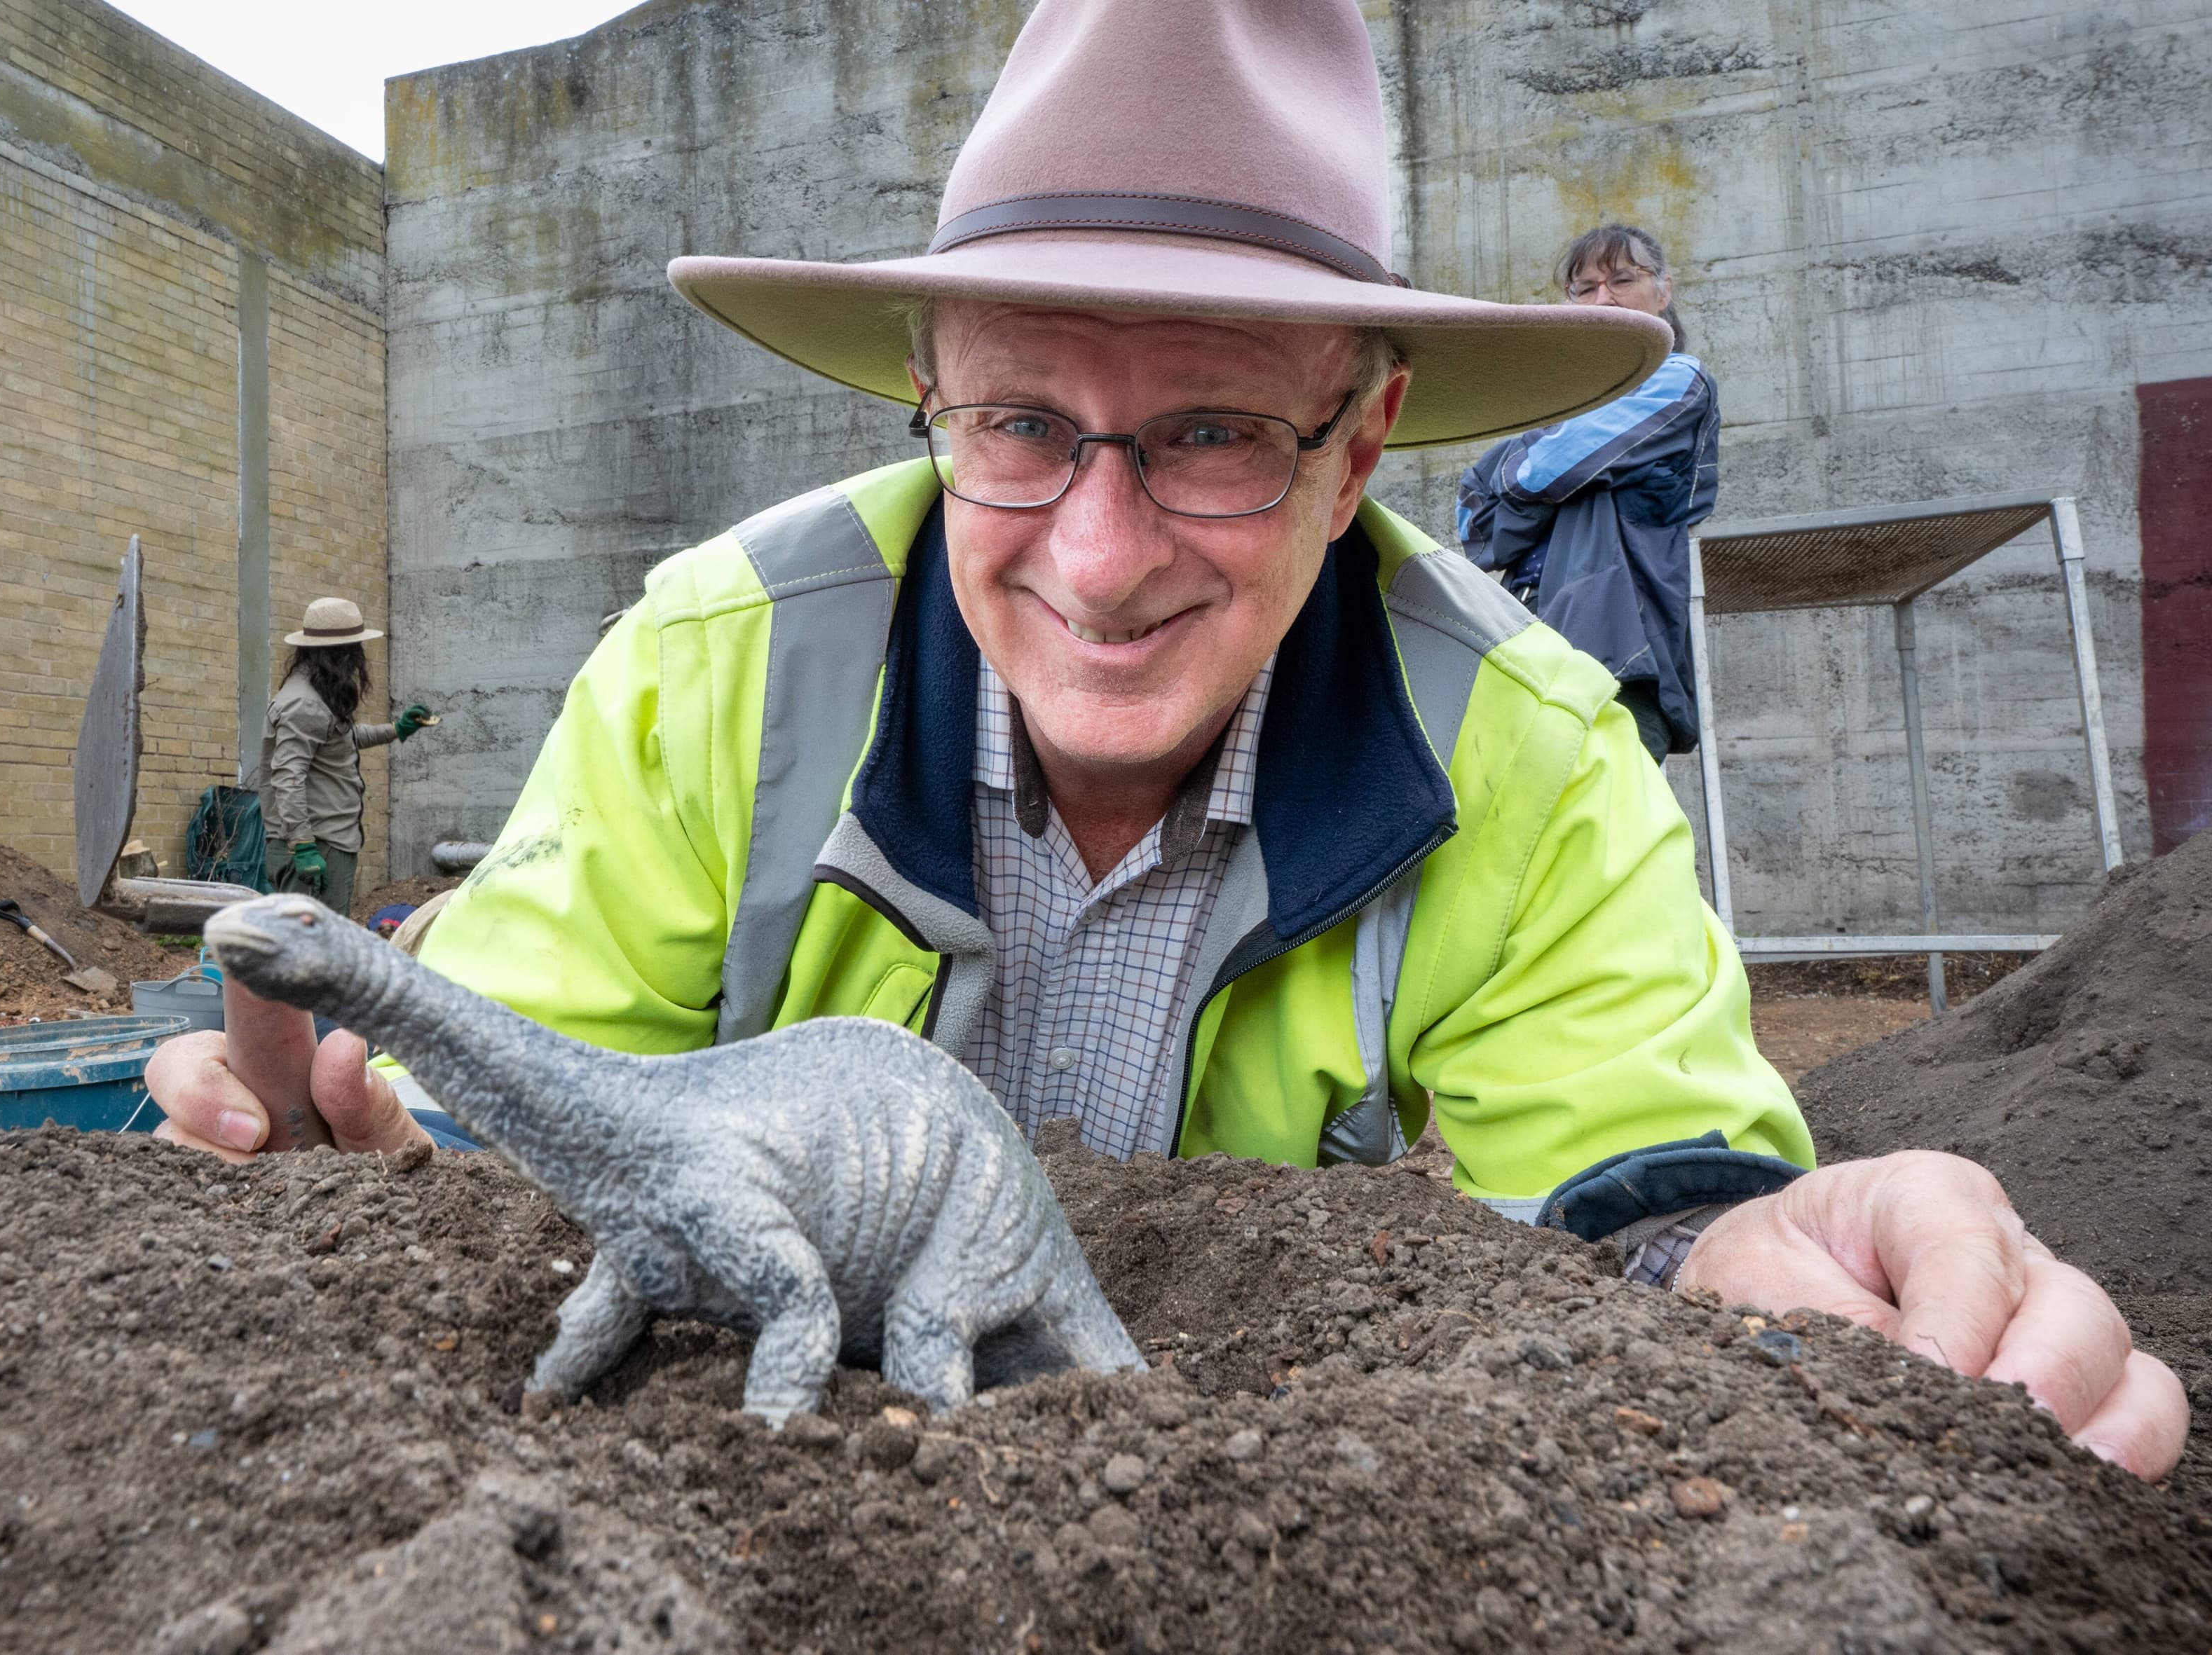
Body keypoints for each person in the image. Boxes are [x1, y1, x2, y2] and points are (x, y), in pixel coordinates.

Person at [148, 0, 2185, 1475]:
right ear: (929, 399)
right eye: (1020, 424)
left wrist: (1763, 1245)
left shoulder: (1526, 742)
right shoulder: (721, 664)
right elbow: (519, 1105)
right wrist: (376, 1139)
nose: (1099, 558)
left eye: (1212, 430)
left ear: (1358, 442)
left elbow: (1642, 1206)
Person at [1457, 225, 1714, 760]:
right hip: (1527, 649)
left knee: (1613, 837)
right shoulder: (1559, 408)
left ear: (1663, 292)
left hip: (1619, 657)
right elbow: (1475, 526)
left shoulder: (1679, 380)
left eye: (1623, 279)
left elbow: (1544, 471)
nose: (1605, 298)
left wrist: (1530, 463)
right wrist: (1550, 458)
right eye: (1585, 288)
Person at [258, 596, 434, 905]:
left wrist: (396, 729)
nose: (358, 660)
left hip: (324, 843)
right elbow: (287, 776)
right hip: (317, 848)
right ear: (339, 654)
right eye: (355, 650)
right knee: (315, 950)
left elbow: (338, 740)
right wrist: (303, 845)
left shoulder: (314, 693)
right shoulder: (305, 703)